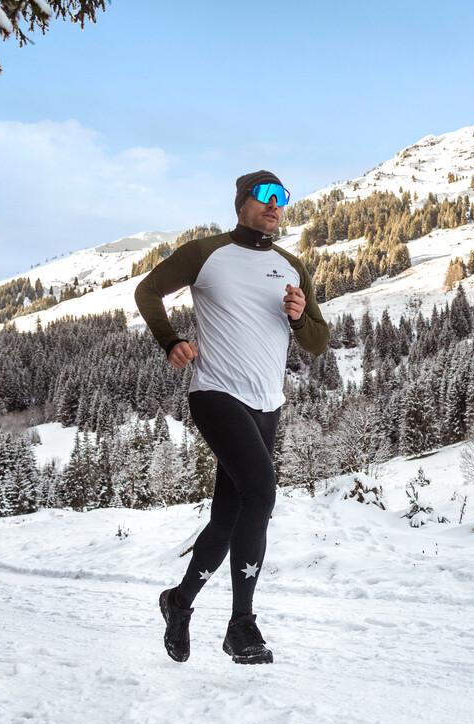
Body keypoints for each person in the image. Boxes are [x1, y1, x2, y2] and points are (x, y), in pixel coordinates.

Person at [134, 170, 329, 665]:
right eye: (265, 196)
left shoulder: (291, 266)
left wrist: (300, 315)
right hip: (216, 394)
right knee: (262, 492)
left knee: (228, 516)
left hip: (268, 404)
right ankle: (241, 625)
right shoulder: (207, 254)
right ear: (242, 201)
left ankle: (178, 602)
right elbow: (147, 292)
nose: (275, 205)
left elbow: (318, 343)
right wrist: (172, 340)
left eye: (283, 198)